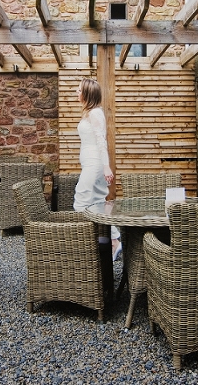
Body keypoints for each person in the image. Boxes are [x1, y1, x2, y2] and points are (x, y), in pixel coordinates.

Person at [72, 77, 120, 259]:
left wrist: (106, 167)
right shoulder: (90, 113)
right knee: (98, 202)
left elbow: (101, 141)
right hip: (91, 163)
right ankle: (115, 241)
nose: (76, 93)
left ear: (87, 94)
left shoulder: (94, 113)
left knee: (81, 200)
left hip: (95, 165)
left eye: (78, 90)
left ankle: (85, 242)